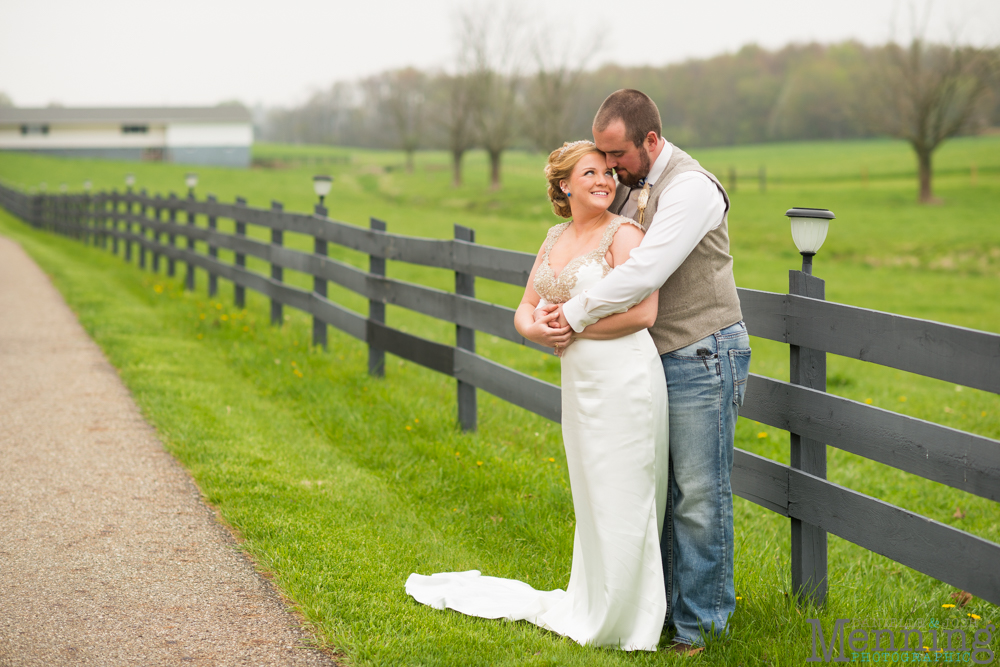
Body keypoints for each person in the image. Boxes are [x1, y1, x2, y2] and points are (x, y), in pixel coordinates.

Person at [405, 140, 669, 651]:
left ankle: (629, 619)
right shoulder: (553, 237)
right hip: (579, 383)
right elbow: (525, 308)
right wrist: (539, 332)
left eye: (607, 173)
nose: (604, 180)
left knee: (626, 492)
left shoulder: (625, 234)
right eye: (589, 172)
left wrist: (570, 327)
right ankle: (595, 599)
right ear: (564, 185)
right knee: (592, 492)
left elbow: (644, 314)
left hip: (627, 380)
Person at [546, 89, 751, 652]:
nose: (611, 168)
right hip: (653, 362)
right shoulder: (635, 182)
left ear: (651, 141)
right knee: (656, 491)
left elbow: (644, 274)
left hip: (703, 350)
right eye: (604, 158)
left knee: (699, 494)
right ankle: (659, 612)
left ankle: (700, 627)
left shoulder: (690, 188)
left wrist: (571, 315)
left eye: (617, 155)